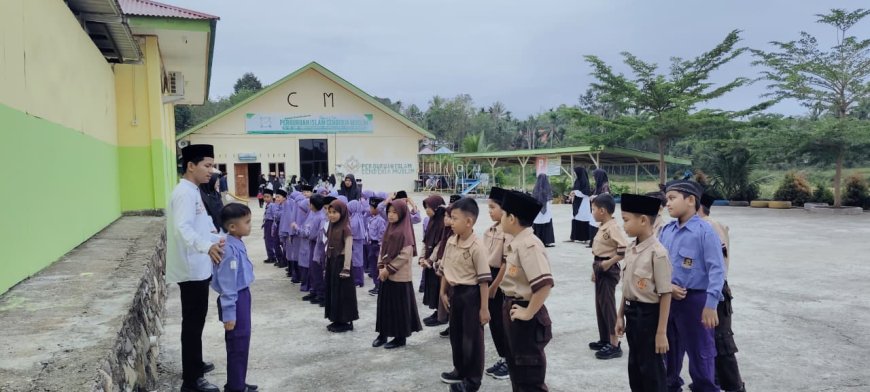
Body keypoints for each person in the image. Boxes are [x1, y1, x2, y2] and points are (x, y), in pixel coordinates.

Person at [659, 180, 725, 392]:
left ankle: (705, 387)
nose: (667, 203)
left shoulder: (705, 232)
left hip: (696, 301)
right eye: (666, 199)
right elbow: (658, 267)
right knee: (669, 350)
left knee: (701, 352)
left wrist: (711, 304)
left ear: (690, 200)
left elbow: (717, 270)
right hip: (669, 299)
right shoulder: (666, 231)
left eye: (672, 198)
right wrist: (668, 286)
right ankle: (671, 386)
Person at [167, 144, 223, 392]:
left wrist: (215, 237)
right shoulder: (184, 193)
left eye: (212, 165)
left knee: (196, 322)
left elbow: (202, 224)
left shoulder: (194, 190)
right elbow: (183, 229)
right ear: (191, 166)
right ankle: (191, 381)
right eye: (207, 165)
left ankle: (195, 364)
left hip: (198, 265)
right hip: (191, 268)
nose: (212, 170)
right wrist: (205, 246)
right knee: (192, 323)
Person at [614, 194, 673, 392]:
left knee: (652, 372)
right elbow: (627, 288)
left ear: (643, 220)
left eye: (626, 220)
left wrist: (661, 332)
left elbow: (666, 294)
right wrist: (620, 315)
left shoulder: (658, 253)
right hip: (632, 315)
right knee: (636, 368)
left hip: (650, 317)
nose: (624, 225)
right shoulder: (631, 249)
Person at [499, 190, 554, 391]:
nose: (500, 218)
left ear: (512, 218)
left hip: (526, 317)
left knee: (530, 377)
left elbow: (544, 283)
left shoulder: (529, 245)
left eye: (503, 214)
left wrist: (528, 311)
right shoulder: (518, 242)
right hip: (514, 310)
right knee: (518, 374)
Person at [438, 198, 492, 392]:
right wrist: (443, 292)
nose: (451, 222)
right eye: (450, 218)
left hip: (471, 295)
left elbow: (484, 280)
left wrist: (484, 308)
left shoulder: (477, 246)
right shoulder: (452, 241)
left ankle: (473, 379)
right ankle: (459, 369)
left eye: (454, 218)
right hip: (454, 293)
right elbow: (445, 268)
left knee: (472, 339)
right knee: (456, 335)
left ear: (469, 222)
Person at [698, 194, 746, 392]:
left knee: (722, 342)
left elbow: (717, 266)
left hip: (716, 292)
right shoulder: (703, 225)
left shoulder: (709, 226)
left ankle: (735, 387)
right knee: (709, 343)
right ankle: (713, 379)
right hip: (705, 291)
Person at [211, 203, 258, 392]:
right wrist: (229, 313)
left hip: (242, 295)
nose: (250, 225)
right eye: (246, 222)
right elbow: (228, 284)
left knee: (242, 342)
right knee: (237, 344)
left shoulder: (236, 242)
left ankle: (237, 381)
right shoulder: (229, 250)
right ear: (232, 227)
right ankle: (235, 387)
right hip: (235, 300)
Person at [373, 199, 423, 349]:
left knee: (398, 307)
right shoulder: (389, 228)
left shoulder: (405, 230)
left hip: (399, 276)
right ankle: (383, 334)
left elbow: (405, 254)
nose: (391, 215)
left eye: (395, 212)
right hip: (385, 274)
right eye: (389, 212)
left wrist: (388, 270)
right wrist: (381, 266)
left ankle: (400, 337)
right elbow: (383, 249)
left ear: (402, 213)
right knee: (384, 306)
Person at [590, 194, 627, 360]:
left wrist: (608, 263)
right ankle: (605, 338)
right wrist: (595, 269)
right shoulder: (604, 225)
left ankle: (614, 344)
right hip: (599, 266)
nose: (592, 212)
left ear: (602, 210)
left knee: (607, 305)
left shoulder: (613, 227)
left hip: (607, 268)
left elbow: (623, 248)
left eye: (593, 209)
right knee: (600, 305)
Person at [483, 187, 512, 381]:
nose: (489, 211)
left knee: (503, 323)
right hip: (489, 275)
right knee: (494, 323)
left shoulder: (507, 232)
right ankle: (504, 356)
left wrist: (494, 286)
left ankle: (510, 361)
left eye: (493, 207)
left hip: (500, 280)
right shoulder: (489, 230)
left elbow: (506, 262)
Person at [324, 200, 359, 333]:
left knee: (343, 293)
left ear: (342, 213)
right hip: (333, 261)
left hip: (342, 263)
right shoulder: (332, 226)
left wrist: (346, 268)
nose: (332, 215)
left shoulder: (346, 228)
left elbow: (349, 249)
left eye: (335, 212)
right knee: (334, 291)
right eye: (330, 212)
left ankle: (346, 321)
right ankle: (337, 319)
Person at [421, 195, 448, 326]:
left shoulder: (443, 222)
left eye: (429, 207)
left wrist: (430, 260)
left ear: (437, 208)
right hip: (430, 261)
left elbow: (440, 244)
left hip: (438, 262)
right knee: (433, 286)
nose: (427, 210)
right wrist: (422, 257)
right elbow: (425, 241)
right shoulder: (431, 221)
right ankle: (437, 311)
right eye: (426, 207)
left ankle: (442, 315)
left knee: (439, 287)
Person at [303, 195, 329, 305]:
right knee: (312, 268)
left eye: (310, 203)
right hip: (313, 243)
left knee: (317, 268)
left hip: (318, 244)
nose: (309, 205)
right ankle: (314, 290)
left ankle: (321, 293)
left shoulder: (320, 217)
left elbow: (315, 234)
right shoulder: (314, 214)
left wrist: (305, 233)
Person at [365, 196, 387, 296]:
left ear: (376, 208)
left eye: (371, 208)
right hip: (372, 244)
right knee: (373, 267)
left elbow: (381, 234)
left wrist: (379, 246)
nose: (370, 209)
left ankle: (379, 286)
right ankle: (376, 285)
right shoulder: (372, 219)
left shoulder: (380, 220)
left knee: (377, 267)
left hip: (377, 246)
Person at [568, 167, 593, 244]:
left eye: (575, 172)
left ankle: (586, 238)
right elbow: (575, 189)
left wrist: (575, 192)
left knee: (584, 219)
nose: (575, 174)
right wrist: (573, 193)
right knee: (575, 218)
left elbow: (585, 192)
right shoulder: (577, 180)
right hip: (577, 203)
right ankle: (574, 237)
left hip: (583, 204)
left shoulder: (584, 181)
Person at [589, 168, 612, 248]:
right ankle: (593, 242)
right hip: (597, 208)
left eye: (594, 176)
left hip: (602, 210)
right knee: (593, 225)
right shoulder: (599, 184)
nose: (593, 178)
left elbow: (606, 195)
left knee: (597, 226)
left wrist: (595, 196)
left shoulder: (605, 185)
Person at [347, 199, 368, 287]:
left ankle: (357, 280)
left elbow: (352, 230)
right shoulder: (359, 216)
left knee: (356, 260)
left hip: (355, 241)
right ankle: (359, 280)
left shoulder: (354, 218)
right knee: (358, 260)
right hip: (358, 241)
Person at [532, 174, 556, 247]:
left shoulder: (535, 189)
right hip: (546, 210)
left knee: (538, 224)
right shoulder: (547, 188)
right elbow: (550, 200)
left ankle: (536, 241)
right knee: (546, 224)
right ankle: (546, 241)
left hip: (537, 210)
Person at [261, 189, 277, 263]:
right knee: (266, 240)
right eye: (264, 197)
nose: (266, 199)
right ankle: (270, 256)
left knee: (269, 240)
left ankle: (272, 257)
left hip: (270, 223)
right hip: (267, 223)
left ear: (271, 197)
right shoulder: (267, 205)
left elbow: (274, 216)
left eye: (268, 197)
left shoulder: (272, 205)